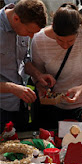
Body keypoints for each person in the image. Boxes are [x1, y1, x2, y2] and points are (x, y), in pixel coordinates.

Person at [30, 3, 82, 129]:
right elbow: (37, 74)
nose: (64, 45)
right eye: (59, 40)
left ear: (79, 30)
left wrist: (81, 89)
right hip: (54, 108)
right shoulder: (39, 39)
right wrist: (40, 84)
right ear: (52, 27)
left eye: (70, 41)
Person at [0, 0, 52, 131]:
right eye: (29, 32)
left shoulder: (22, 25)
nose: (32, 36)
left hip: (19, 106)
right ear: (16, 18)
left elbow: (24, 59)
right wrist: (13, 88)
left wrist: (37, 75)